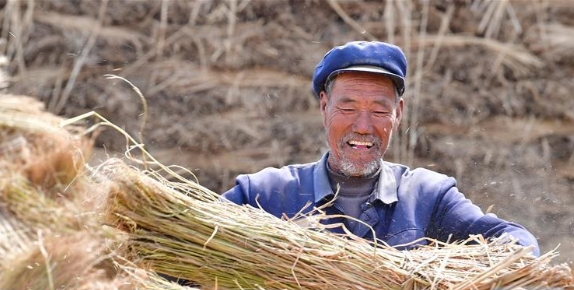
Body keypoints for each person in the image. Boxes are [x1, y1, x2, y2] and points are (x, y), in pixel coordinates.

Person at [222, 41, 540, 256]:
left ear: (398, 113)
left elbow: (517, 244)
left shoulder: (428, 198)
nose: (363, 126)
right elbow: (183, 246)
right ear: (323, 107)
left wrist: (445, 275)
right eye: (348, 108)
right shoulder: (265, 196)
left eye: (378, 110)